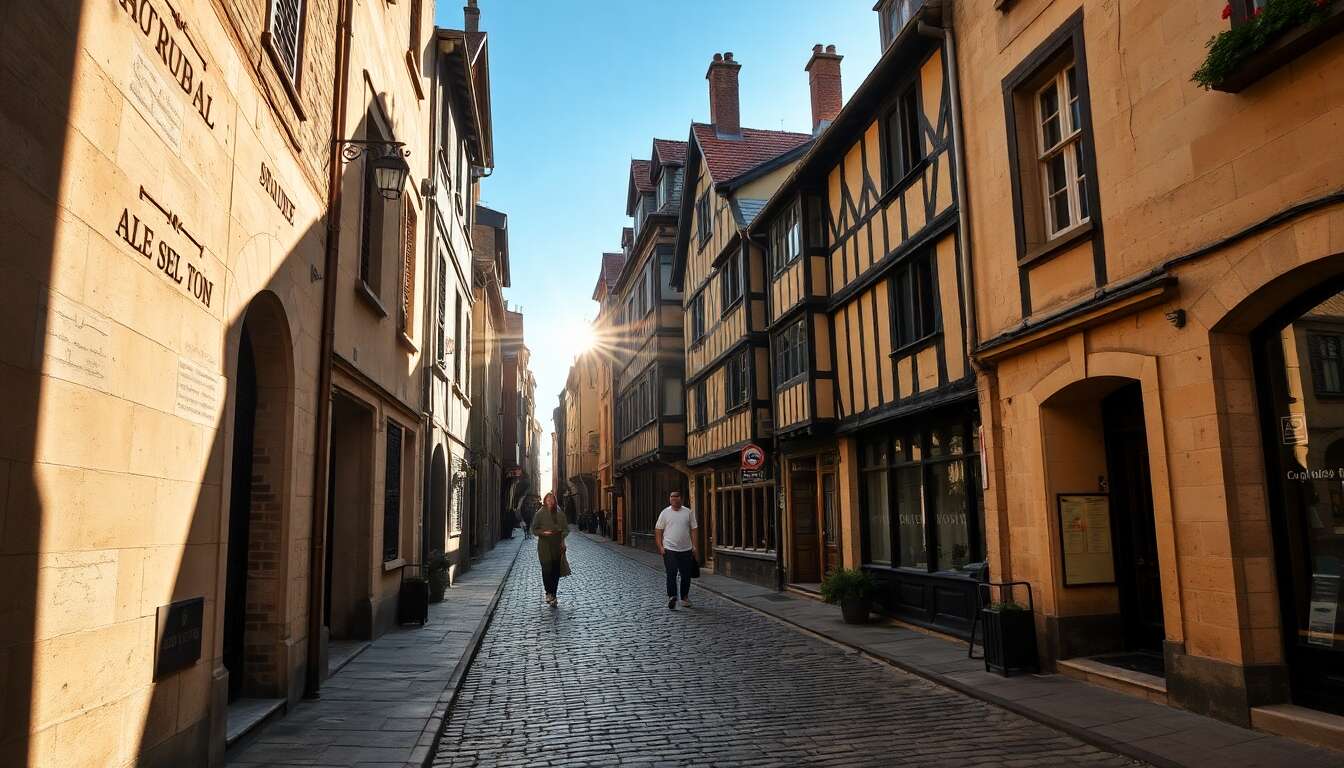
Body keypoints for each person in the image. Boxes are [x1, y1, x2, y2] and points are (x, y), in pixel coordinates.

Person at [655, 490, 698, 610]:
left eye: (676, 497)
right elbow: (658, 530)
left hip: (686, 549)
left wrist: (694, 546)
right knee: (671, 572)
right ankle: (672, 596)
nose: (674, 499)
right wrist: (660, 547)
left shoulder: (688, 512)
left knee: (686, 574)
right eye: (672, 498)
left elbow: (694, 529)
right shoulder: (665, 513)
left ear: (681, 499)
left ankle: (684, 597)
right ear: (669, 500)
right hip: (669, 548)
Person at [531, 492, 569, 606]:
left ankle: (554, 595)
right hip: (544, 545)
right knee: (546, 569)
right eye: (548, 499)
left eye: (552, 499)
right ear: (545, 501)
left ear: (554, 501)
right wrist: (543, 532)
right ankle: (548, 592)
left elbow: (566, 529)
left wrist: (562, 537)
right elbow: (534, 529)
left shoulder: (560, 514)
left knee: (555, 571)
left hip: (557, 545)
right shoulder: (540, 514)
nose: (550, 501)